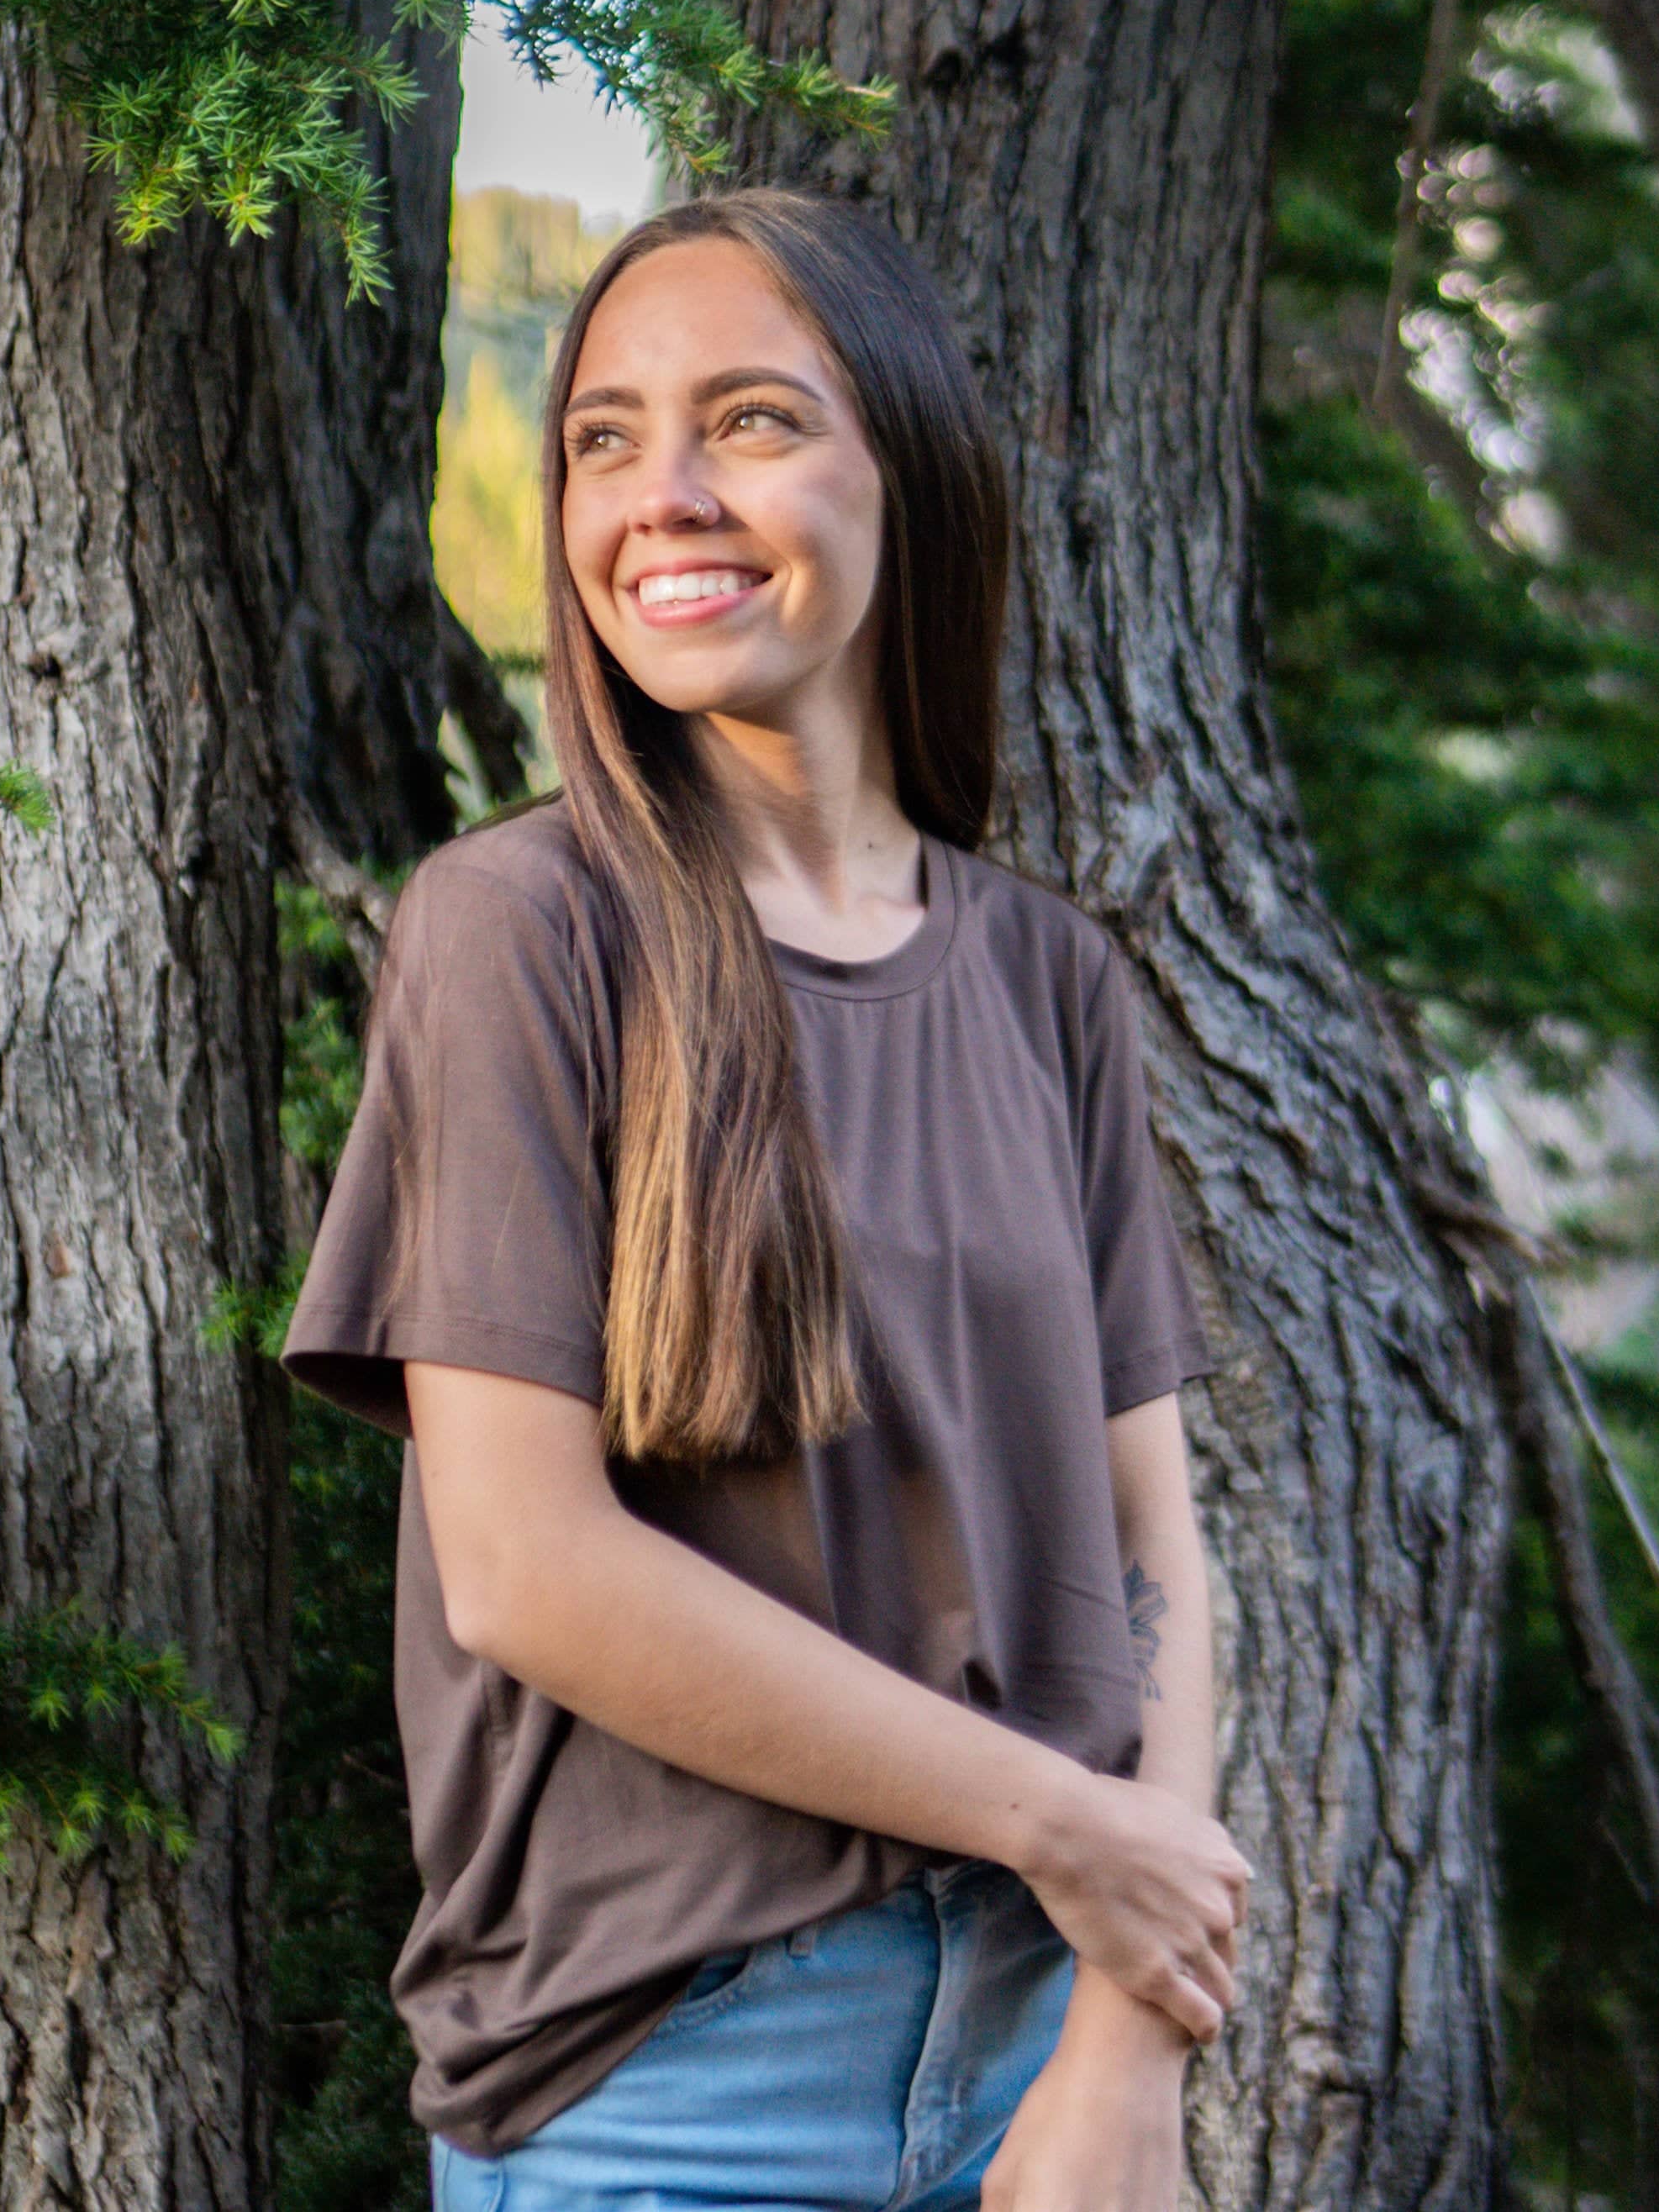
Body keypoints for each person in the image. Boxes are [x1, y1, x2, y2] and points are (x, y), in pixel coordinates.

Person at [282, 187, 1252, 2212]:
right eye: (606, 439)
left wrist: (1131, 2046)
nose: (664, 497)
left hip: (1034, 2055)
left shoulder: (1043, 977)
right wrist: (1072, 1839)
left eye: (749, 420)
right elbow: (527, 1572)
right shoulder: (519, 933)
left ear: (909, 471)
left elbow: (1157, 1535)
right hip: (674, 2090)